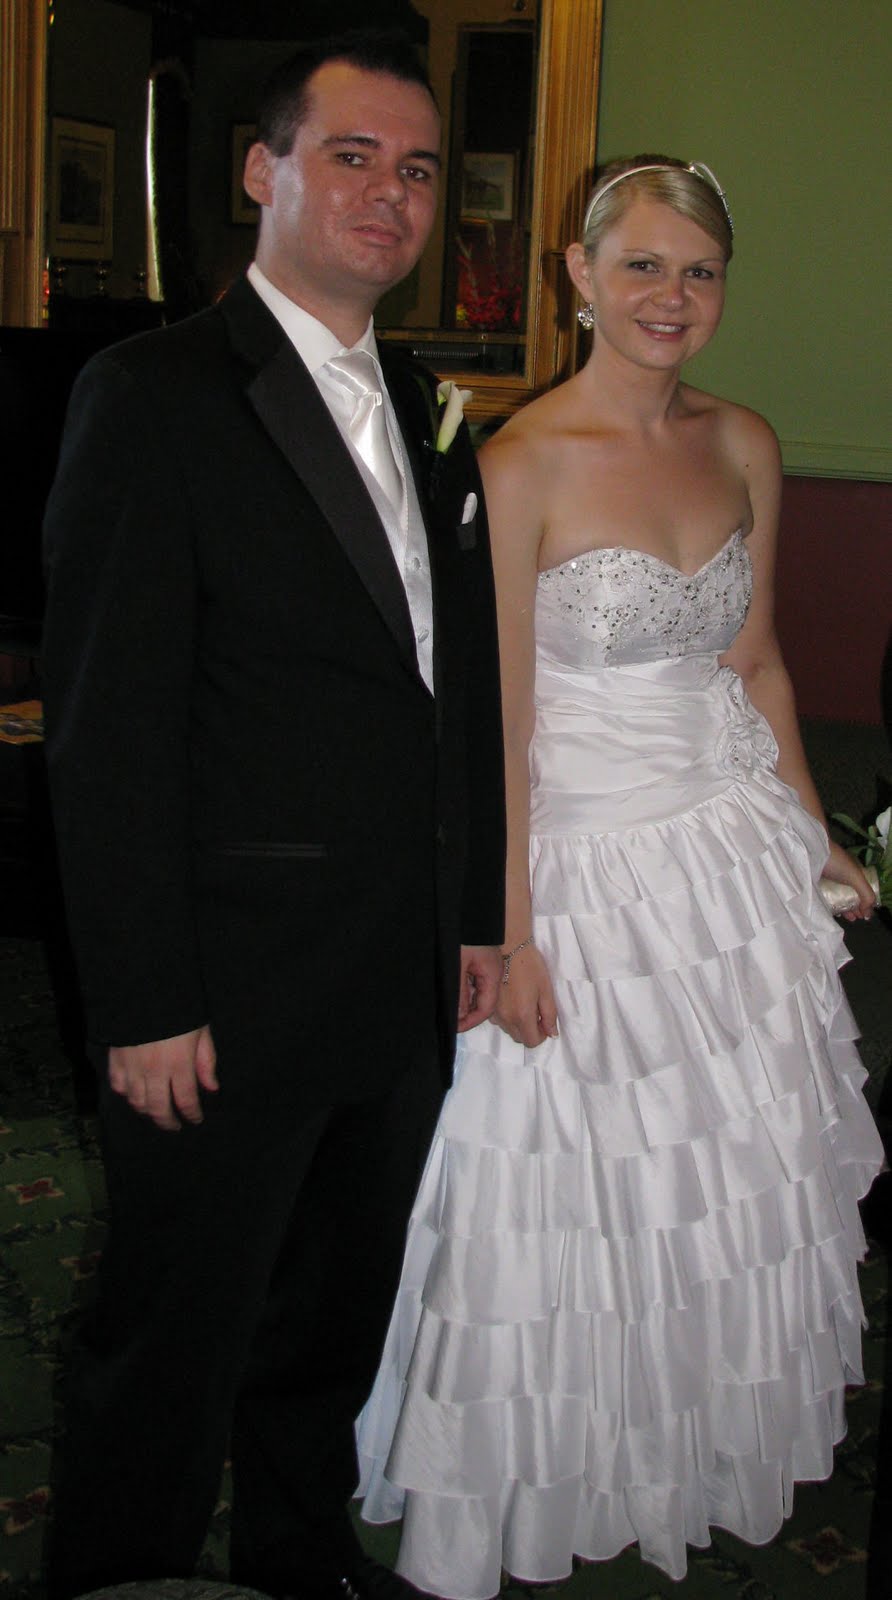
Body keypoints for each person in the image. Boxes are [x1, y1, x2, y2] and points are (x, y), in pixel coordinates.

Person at [356, 157, 884, 1597]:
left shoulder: (746, 441)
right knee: (570, 1187)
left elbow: (756, 660)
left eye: (699, 272)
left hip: (729, 855)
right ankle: (545, 1477)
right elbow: (501, 725)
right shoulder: (517, 462)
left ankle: (701, 1440)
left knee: (733, 1174)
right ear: (578, 277)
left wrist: (814, 833)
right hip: (578, 863)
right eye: (642, 265)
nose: (672, 296)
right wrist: (510, 932)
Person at [42, 29, 505, 1600]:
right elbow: (107, 732)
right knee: (173, 1336)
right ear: (263, 170)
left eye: (418, 169)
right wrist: (144, 999)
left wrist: (474, 916)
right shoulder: (151, 395)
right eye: (352, 156)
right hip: (225, 986)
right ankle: (121, 1575)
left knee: (331, 1320)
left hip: (393, 969)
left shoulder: (434, 410)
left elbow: (458, 695)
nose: (391, 193)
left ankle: (301, 1557)